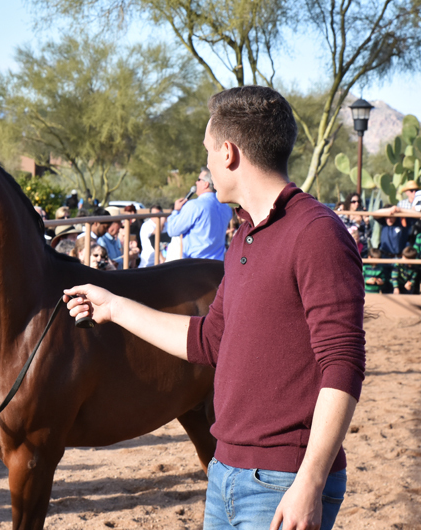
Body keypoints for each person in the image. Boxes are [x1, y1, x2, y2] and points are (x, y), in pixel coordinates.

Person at [64, 86, 365, 530]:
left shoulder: (317, 233)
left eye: (207, 151)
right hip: (225, 470)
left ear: (227, 153)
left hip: (283, 481)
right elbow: (209, 340)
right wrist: (115, 307)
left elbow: (343, 362)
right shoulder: (245, 235)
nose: (204, 165)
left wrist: (310, 481)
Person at [166, 167, 233, 260]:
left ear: (206, 184)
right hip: (218, 264)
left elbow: (172, 230)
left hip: (196, 264)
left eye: (198, 180)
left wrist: (176, 211)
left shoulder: (194, 206)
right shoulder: (226, 208)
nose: (196, 183)